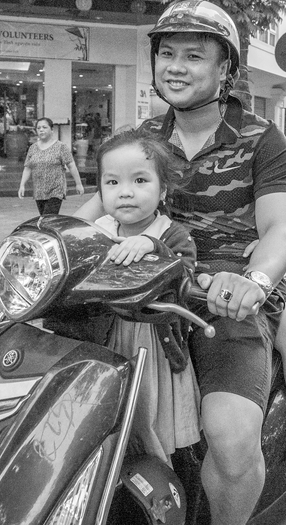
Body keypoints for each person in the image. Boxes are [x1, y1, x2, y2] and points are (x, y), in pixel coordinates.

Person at [75, 0, 286, 523]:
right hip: (144, 289)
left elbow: (280, 228)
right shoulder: (145, 141)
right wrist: (42, 248)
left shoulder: (262, 140)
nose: (176, 67)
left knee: (231, 437)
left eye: (194, 56)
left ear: (225, 69)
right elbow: (92, 213)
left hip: (224, 296)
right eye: (167, 54)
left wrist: (255, 280)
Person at [92, 129, 202, 463]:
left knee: (147, 417)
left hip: (151, 347)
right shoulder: (96, 232)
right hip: (105, 340)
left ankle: (159, 471)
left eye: (140, 180)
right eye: (112, 182)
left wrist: (153, 246)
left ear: (163, 189)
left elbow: (184, 275)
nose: (125, 192)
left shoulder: (171, 234)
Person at [18, 117, 85, 214]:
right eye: (38, 128)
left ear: (52, 130)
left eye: (44, 127)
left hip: (56, 190)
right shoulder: (33, 148)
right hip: (39, 191)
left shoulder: (61, 147)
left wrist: (78, 184)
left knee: (48, 217)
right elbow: (27, 168)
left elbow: (71, 165)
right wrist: (22, 185)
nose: (41, 130)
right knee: (45, 218)